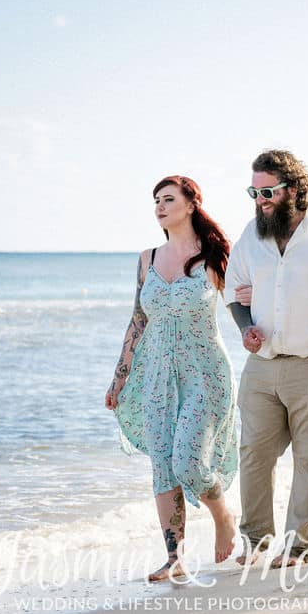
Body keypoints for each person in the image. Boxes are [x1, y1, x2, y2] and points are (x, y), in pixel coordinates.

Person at [224, 150, 308, 567]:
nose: (260, 200)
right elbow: (234, 288)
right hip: (264, 361)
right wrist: (245, 326)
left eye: (268, 192)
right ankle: (255, 541)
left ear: (295, 189)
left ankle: (299, 545)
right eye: (254, 192)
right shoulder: (252, 235)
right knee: (254, 452)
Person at [106, 175, 238, 582]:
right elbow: (137, 320)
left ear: (191, 204)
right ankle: (174, 557)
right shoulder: (147, 259)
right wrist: (119, 378)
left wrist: (258, 328)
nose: (160, 207)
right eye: (156, 201)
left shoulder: (215, 255)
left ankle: (223, 516)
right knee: (164, 466)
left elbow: (244, 300)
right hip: (156, 376)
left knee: (188, 462)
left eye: (168, 199)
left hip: (205, 374)